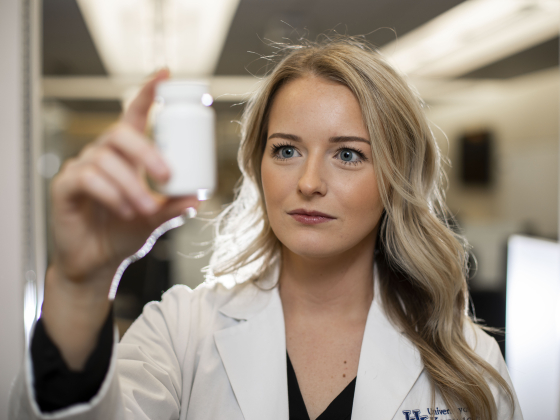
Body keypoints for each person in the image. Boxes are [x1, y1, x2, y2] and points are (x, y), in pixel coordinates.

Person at [10, 37, 522, 420]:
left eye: (347, 154)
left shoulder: (468, 359)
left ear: (396, 178)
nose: (309, 181)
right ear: (258, 166)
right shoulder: (184, 329)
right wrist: (81, 284)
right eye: (286, 150)